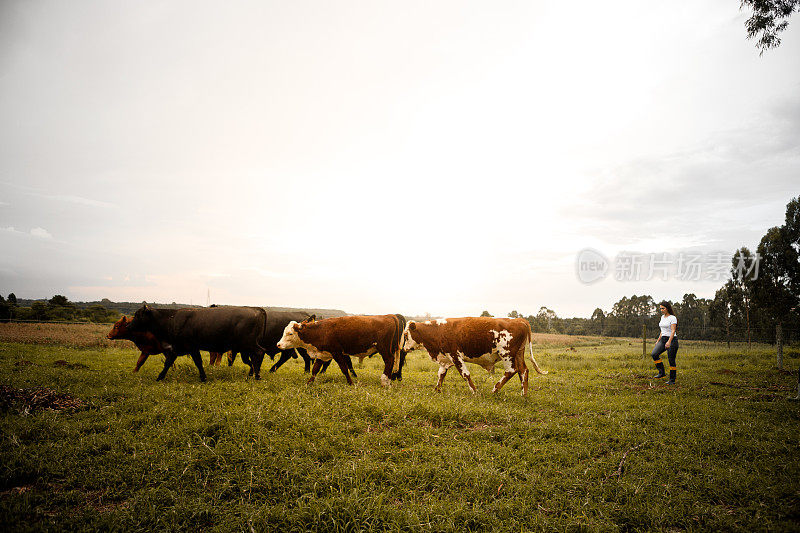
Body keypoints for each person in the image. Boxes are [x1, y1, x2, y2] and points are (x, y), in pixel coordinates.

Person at [651, 301, 678, 385]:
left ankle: (672, 380)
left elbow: (673, 331)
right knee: (654, 354)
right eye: (660, 308)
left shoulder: (672, 318)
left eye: (663, 308)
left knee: (671, 360)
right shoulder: (662, 317)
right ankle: (661, 373)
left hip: (672, 340)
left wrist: (669, 342)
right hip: (663, 339)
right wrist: (658, 340)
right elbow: (662, 331)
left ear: (667, 308)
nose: (661, 310)